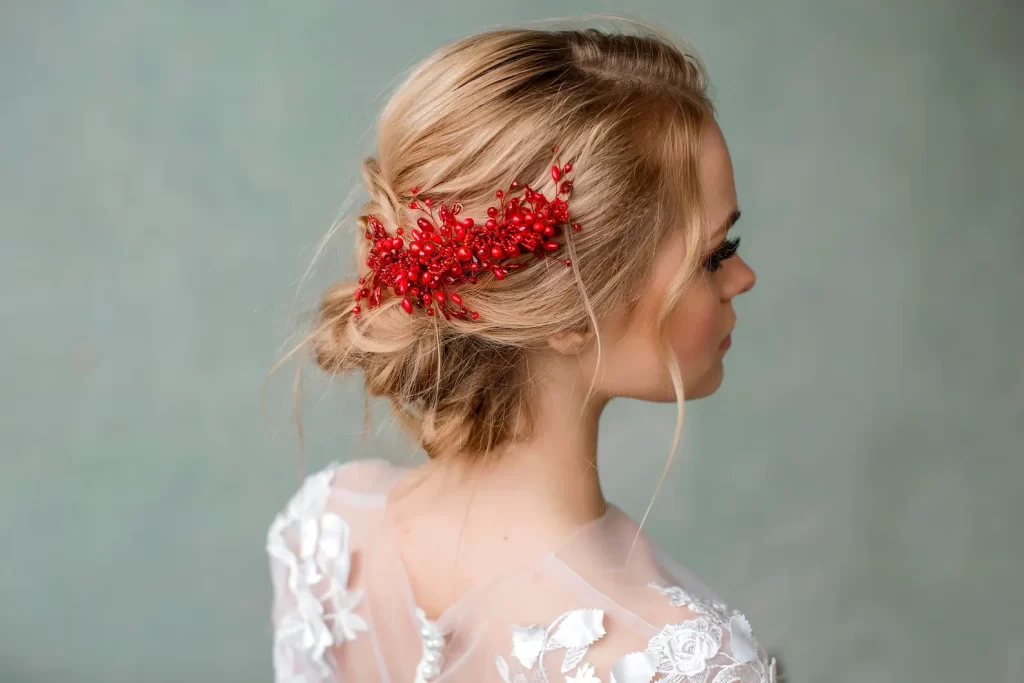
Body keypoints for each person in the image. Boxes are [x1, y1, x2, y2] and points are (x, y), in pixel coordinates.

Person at [267, 24, 772, 683]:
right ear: (570, 312)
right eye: (716, 255)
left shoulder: (328, 532)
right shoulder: (674, 658)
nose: (743, 278)